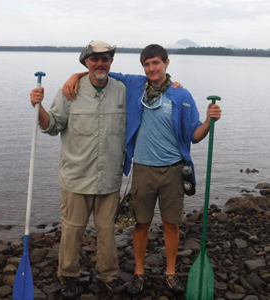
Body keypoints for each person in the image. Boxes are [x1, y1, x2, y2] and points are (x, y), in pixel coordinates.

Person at [62, 44, 222, 297]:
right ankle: (138, 272)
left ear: (166, 63)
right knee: (141, 224)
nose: (151, 68)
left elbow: (194, 136)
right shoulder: (136, 85)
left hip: (173, 170)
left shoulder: (182, 95)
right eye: (147, 64)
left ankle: (170, 273)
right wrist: (74, 76)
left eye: (156, 63)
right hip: (143, 169)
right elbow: (101, 72)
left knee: (171, 225)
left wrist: (209, 123)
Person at [30, 40, 128, 299]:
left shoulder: (122, 90)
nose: (100, 63)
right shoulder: (68, 91)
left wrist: (174, 84)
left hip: (110, 178)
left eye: (105, 59)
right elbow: (51, 126)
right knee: (72, 231)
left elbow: (154, 82)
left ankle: (108, 275)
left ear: (111, 62)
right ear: (85, 61)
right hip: (76, 177)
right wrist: (38, 108)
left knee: (107, 232)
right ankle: (68, 275)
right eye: (94, 59)